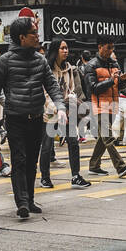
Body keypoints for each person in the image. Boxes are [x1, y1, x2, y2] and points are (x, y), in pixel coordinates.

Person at [0, 16, 63, 218]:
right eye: (34, 34)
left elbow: (51, 85)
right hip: (15, 118)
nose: (38, 37)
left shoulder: (40, 60)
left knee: (31, 161)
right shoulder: (5, 61)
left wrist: (60, 106)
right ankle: (21, 202)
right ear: (22, 37)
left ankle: (29, 199)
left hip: (37, 117)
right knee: (19, 159)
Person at [83, 39, 126, 178]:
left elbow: (118, 86)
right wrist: (111, 80)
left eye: (112, 48)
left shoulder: (114, 63)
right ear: (100, 47)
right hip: (99, 106)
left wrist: (122, 81)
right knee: (108, 137)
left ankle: (94, 166)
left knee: (103, 137)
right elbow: (92, 88)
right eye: (108, 48)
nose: (111, 51)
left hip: (113, 105)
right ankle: (120, 166)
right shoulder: (91, 65)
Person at [41, 39, 89, 189]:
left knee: (73, 142)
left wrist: (69, 106)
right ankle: (45, 177)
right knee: (47, 146)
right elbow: (45, 93)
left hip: (66, 110)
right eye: (62, 48)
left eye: (67, 48)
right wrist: (57, 109)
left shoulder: (69, 68)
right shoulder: (46, 68)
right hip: (49, 112)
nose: (65, 51)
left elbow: (71, 90)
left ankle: (76, 176)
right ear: (55, 50)